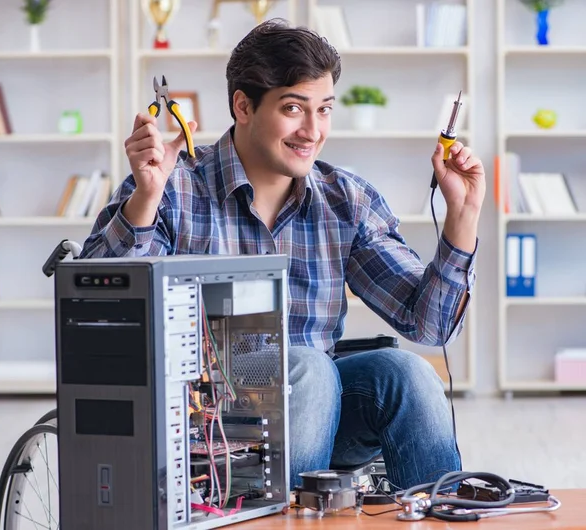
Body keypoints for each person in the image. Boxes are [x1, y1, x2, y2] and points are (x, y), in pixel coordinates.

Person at [80, 19, 484, 490]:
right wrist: (145, 200)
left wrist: (463, 214)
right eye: (294, 108)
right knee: (309, 367)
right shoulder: (173, 186)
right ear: (243, 105)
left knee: (406, 373)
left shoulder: (346, 201)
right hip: (205, 428)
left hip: (322, 417)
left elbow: (430, 325)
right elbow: (98, 305)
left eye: (325, 110)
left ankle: (441, 510)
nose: (312, 131)